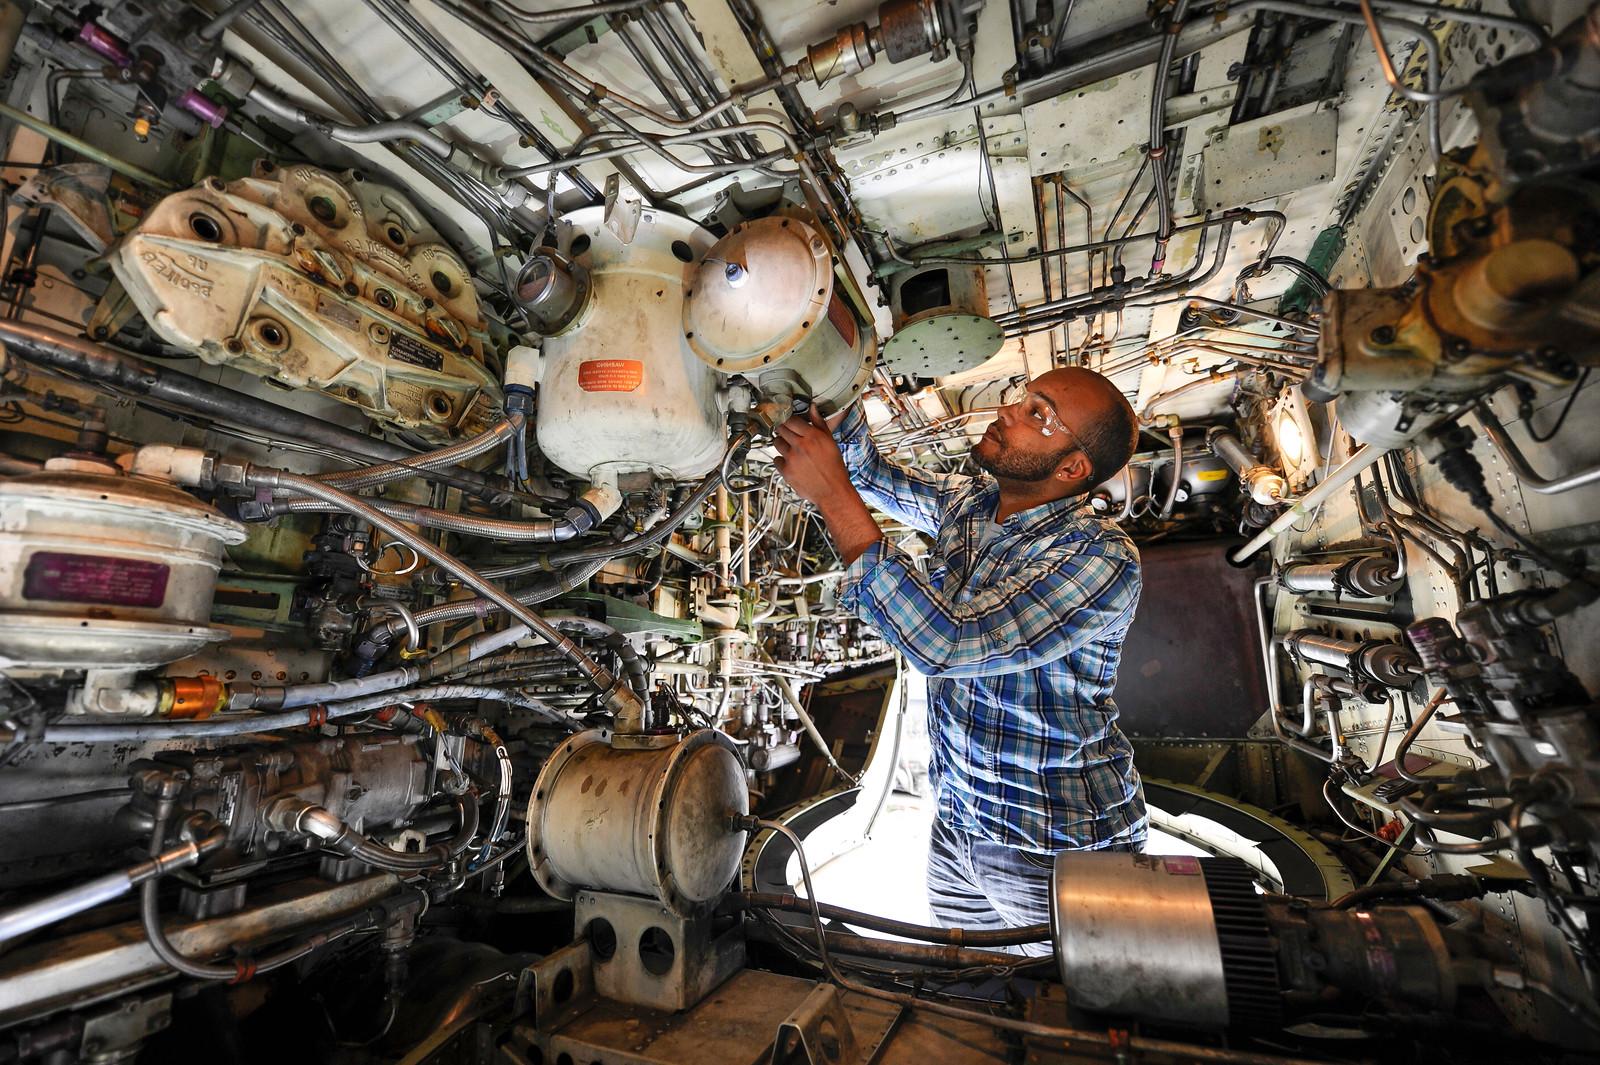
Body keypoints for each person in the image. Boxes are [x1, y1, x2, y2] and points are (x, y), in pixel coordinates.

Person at [771, 367, 1147, 949]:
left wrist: (830, 495)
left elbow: (947, 644)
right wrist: (832, 391)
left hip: (1056, 847)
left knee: (1060, 1019)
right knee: (967, 998)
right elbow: (872, 476)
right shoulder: (973, 504)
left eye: (1038, 415)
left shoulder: (1099, 556)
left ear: (1073, 468)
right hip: (959, 822)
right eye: (1022, 399)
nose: (1008, 413)